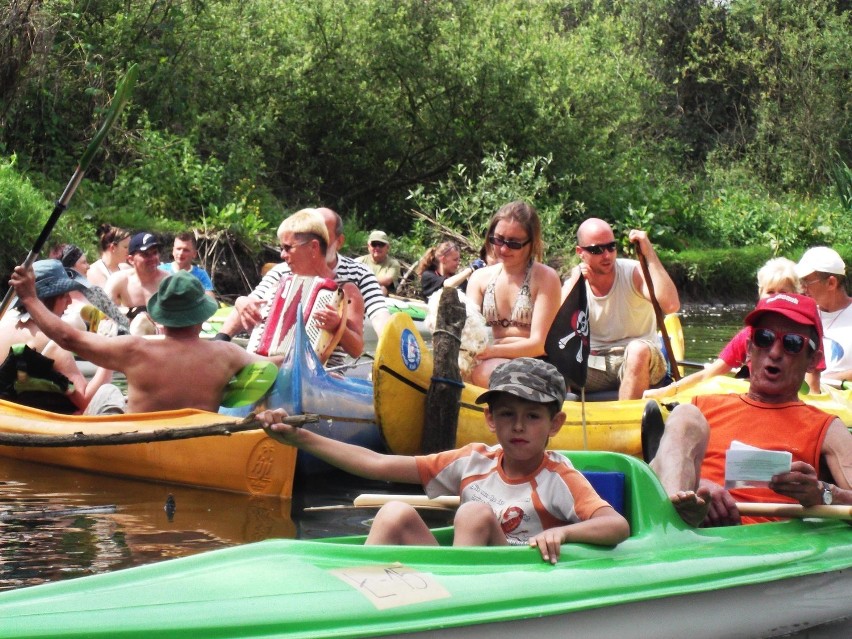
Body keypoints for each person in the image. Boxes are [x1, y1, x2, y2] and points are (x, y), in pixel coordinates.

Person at [258, 358, 629, 563]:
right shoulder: (473, 461)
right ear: (490, 419)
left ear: (555, 424)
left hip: (515, 584)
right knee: (394, 513)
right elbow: (376, 464)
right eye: (506, 414)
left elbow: (615, 525)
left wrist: (562, 531)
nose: (518, 426)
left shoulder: (557, 476)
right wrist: (298, 437)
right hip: (460, 576)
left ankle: (452, 619)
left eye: (533, 416)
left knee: (473, 513)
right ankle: (356, 604)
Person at [648, 292, 851, 527]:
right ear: (748, 347)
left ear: (813, 360)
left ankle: (675, 521)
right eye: (764, 338)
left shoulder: (826, 428)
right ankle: (677, 511)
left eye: (792, 343)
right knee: (684, 415)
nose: (774, 353)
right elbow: (658, 470)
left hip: (762, 545)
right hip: (691, 528)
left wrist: (824, 493)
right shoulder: (700, 408)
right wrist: (700, 485)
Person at [10, 267, 273, 413]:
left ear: (161, 318)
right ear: (202, 318)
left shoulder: (134, 349)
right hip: (197, 441)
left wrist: (30, 298)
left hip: (139, 441)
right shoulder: (227, 353)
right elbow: (273, 363)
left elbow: (69, 337)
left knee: (108, 392)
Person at [644, 257, 823, 399]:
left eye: (783, 292)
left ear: (796, 296)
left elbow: (813, 389)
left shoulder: (805, 336)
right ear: (760, 294)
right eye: (770, 292)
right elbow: (709, 375)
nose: (775, 299)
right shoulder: (749, 335)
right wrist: (666, 392)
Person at [216, 207, 391, 340]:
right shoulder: (283, 270)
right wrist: (239, 305)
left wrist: (390, 353)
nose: (317, 239)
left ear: (340, 242)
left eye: (323, 234)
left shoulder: (359, 275)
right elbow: (253, 300)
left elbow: (379, 313)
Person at [560, 218, 680, 400]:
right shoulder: (575, 281)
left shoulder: (634, 273)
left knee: (636, 350)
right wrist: (575, 284)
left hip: (641, 359)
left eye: (611, 247)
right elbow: (555, 329)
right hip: (596, 364)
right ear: (580, 252)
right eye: (597, 250)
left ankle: (627, 421)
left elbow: (671, 305)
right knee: (554, 358)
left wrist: (649, 255)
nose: (606, 255)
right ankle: (565, 416)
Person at [465, 201, 562, 388]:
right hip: (491, 357)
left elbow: (539, 344)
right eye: (498, 240)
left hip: (538, 361)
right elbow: (467, 330)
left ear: (532, 244)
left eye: (514, 244)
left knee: (483, 372)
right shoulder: (479, 278)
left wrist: (490, 352)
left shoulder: (545, 277)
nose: (503, 249)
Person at [0, 260, 117, 414]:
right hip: (47, 428)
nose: (69, 301)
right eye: (63, 295)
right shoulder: (52, 342)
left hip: (11, 418)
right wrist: (109, 355)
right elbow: (86, 400)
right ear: (46, 298)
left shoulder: (4, 322)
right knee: (110, 392)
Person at [271, 209, 365, 363]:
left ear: (313, 247)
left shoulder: (346, 290)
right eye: (281, 248)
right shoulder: (282, 284)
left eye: (288, 248)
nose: (282, 255)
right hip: (279, 366)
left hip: (324, 374)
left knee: (229, 354)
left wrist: (337, 326)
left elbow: (357, 350)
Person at [796, 246, 852, 384]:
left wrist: (822, 380)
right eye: (801, 282)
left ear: (831, 283)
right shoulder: (802, 315)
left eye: (807, 282)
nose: (802, 289)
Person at [104, 231, 168, 314]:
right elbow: (103, 308)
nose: (152, 258)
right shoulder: (120, 279)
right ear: (131, 260)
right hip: (130, 325)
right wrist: (131, 312)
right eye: (145, 255)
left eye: (154, 253)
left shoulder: (168, 281)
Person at [416, 241, 485, 301]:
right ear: (443, 259)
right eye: (455, 260)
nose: (458, 263)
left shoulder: (460, 282)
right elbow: (448, 285)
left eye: (458, 260)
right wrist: (471, 269)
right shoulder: (428, 276)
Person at [159, 231, 216, 299]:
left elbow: (210, 299)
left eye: (186, 250)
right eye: (178, 249)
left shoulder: (201, 275)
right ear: (173, 251)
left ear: (194, 254)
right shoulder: (160, 270)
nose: (181, 253)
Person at [355, 230, 402, 296]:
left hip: (385, 300)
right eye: (374, 244)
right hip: (357, 294)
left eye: (381, 244)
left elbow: (387, 281)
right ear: (368, 246)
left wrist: (361, 280)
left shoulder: (393, 264)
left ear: (387, 247)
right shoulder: (358, 261)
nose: (377, 248)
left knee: (382, 288)